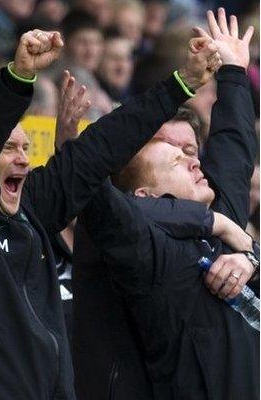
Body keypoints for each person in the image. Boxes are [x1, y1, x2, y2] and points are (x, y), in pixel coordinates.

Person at [0, 25, 219, 399]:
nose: (23, 159)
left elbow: (99, 149)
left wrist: (180, 84)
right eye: (8, 147)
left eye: (25, 148)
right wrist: (18, 77)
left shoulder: (31, 209)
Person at [73, 9, 259, 400]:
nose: (195, 160)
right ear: (144, 194)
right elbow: (101, 200)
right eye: (175, 158)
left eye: (192, 151)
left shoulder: (220, 212)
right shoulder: (145, 245)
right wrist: (215, 224)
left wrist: (234, 72)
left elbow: (233, 150)